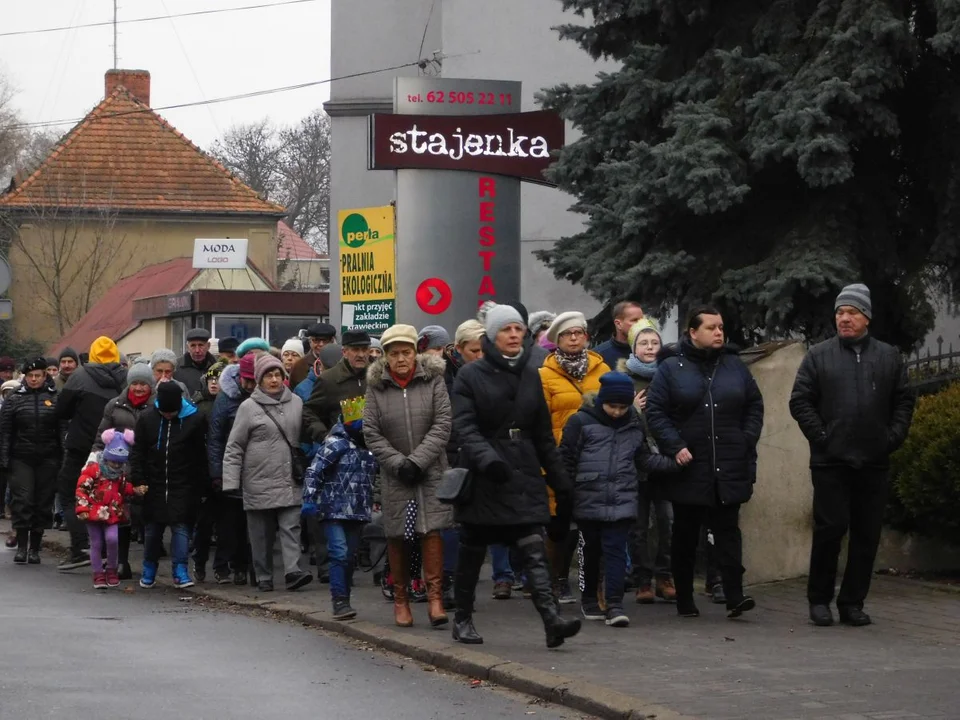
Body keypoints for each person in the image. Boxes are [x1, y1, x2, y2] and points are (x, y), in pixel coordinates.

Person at [450, 304, 581, 648]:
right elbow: (465, 427)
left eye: (518, 329)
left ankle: (552, 621)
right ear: (492, 335)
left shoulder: (531, 373)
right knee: (473, 550)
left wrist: (559, 479)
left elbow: (541, 433)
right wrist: (488, 460)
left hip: (521, 471)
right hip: (485, 476)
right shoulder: (470, 376)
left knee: (533, 547)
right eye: (506, 329)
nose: (513, 335)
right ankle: (462, 618)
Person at [789, 284, 914, 627]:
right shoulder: (819, 355)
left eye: (852, 313)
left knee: (866, 534)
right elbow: (800, 401)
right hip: (831, 461)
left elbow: (904, 400)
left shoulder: (888, 357)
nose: (844, 318)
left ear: (866, 318)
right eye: (840, 313)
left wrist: (891, 438)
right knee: (830, 530)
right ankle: (819, 601)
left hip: (873, 462)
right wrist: (823, 437)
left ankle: (852, 603)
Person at [646, 306, 765, 619]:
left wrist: (746, 438)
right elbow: (656, 412)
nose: (719, 333)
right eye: (711, 327)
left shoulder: (734, 365)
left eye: (721, 327)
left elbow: (754, 405)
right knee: (685, 532)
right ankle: (685, 597)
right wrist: (675, 445)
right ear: (693, 332)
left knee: (728, 531)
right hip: (690, 464)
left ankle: (734, 595)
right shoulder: (671, 368)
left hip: (728, 462)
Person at [560, 372, 678, 627]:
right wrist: (567, 494)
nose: (616, 412)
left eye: (623, 407)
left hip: (622, 498)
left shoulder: (634, 426)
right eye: (612, 406)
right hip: (588, 498)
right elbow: (566, 459)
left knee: (615, 551)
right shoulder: (580, 422)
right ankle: (590, 597)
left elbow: (643, 458)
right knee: (590, 551)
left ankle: (614, 604)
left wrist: (673, 463)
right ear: (601, 401)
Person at [363, 324, 453, 627]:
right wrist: (399, 464)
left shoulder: (433, 381)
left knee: (431, 531)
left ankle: (435, 599)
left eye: (406, 352)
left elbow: (442, 425)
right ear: (385, 357)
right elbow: (371, 433)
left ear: (415, 352)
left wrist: (418, 462)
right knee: (398, 535)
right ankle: (400, 600)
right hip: (396, 473)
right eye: (394, 353)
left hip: (429, 471)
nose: (401, 359)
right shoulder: (377, 388)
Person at [222, 353, 311, 592]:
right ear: (259, 380)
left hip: (289, 476)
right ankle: (263, 575)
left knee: (291, 527)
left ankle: (293, 571)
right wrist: (231, 480)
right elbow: (235, 445)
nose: (274, 380)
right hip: (258, 479)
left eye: (278, 375)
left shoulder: (296, 403)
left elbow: (305, 435)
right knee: (260, 534)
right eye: (268, 375)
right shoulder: (248, 408)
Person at [540, 311, 610, 603]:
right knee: (561, 527)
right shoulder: (544, 375)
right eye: (567, 334)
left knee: (597, 526)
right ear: (557, 340)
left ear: (586, 337)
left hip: (597, 458)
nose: (573, 338)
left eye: (578, 333)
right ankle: (556, 579)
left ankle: (595, 586)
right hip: (561, 460)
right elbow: (540, 420)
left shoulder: (602, 369)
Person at [55, 336, 127, 571]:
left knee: (69, 493)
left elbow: (61, 410)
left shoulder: (80, 376)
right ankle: (107, 551)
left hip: (80, 447)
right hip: (113, 450)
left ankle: (80, 547)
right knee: (109, 497)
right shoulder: (124, 378)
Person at [303, 397, 376, 620]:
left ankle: (345, 597)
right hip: (333, 508)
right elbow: (314, 470)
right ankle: (339, 601)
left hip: (357, 510)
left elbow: (376, 476)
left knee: (349, 556)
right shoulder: (336, 443)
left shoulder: (370, 448)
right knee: (339, 553)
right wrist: (309, 498)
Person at [619, 319, 676, 603]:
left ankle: (665, 575)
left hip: (665, 460)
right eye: (643, 343)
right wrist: (632, 409)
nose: (650, 348)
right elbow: (610, 415)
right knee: (638, 525)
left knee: (667, 521)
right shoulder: (624, 378)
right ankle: (643, 580)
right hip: (635, 462)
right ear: (633, 347)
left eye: (654, 343)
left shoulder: (671, 374)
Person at [131, 381, 208, 590]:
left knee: (181, 528)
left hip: (184, 483)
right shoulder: (147, 419)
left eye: (172, 412)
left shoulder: (195, 419)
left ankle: (180, 570)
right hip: (153, 483)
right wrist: (138, 480)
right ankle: (149, 569)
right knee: (153, 530)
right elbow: (138, 452)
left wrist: (201, 486)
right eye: (164, 412)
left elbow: (201, 456)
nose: (168, 416)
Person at [90, 358, 156, 579]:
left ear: (150, 386)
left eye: (143, 384)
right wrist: (94, 460)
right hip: (117, 467)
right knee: (121, 516)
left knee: (145, 516)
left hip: (146, 466)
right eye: (135, 383)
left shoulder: (156, 405)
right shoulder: (115, 405)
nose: (138, 388)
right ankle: (121, 562)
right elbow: (101, 436)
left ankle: (150, 563)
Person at [0, 358, 61, 565]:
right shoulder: (14, 399)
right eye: (30, 376)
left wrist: (62, 457)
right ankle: (22, 547)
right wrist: (4, 459)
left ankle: (35, 548)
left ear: (45, 376)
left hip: (48, 457)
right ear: (25, 377)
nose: (34, 379)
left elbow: (62, 430)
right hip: (21, 458)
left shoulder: (55, 398)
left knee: (43, 502)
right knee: (23, 500)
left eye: (38, 375)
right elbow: (5, 432)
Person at [206, 355, 257, 585]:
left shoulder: (263, 396)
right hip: (231, 465)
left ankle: (242, 565)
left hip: (257, 468)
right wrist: (217, 472)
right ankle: (222, 564)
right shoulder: (226, 400)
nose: (251, 385)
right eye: (247, 380)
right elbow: (215, 438)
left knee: (251, 524)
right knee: (229, 521)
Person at [75, 429, 146, 588]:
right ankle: (98, 573)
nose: (116, 466)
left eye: (120, 463)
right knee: (96, 543)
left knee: (113, 540)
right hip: (92, 512)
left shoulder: (119, 474)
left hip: (112, 512)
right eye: (113, 462)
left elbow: (122, 487)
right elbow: (82, 489)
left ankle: (112, 569)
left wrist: (133, 490)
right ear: (107, 457)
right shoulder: (93, 470)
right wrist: (82, 508)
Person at [190, 359, 227, 582]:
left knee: (225, 523)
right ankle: (200, 562)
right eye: (211, 379)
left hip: (225, 469)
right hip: (203, 471)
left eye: (218, 380)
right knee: (203, 523)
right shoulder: (197, 405)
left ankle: (221, 566)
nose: (214, 384)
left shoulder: (229, 403)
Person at [303, 330, 372, 443]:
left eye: (364, 349)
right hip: (344, 451)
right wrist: (325, 437)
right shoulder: (329, 379)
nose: (361, 355)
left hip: (375, 449)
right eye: (355, 350)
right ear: (344, 352)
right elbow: (309, 412)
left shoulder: (378, 377)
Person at [595, 301, 645, 370]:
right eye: (635, 320)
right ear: (618, 324)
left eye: (642, 320)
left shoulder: (650, 351)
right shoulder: (598, 355)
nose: (641, 324)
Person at [290, 322, 337, 388]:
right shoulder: (299, 366)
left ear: (332, 341)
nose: (321, 344)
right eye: (316, 340)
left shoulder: (341, 362)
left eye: (325, 340)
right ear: (310, 341)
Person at [174, 328, 217, 395]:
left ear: (208, 346)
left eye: (201, 345)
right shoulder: (176, 367)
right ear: (187, 347)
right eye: (193, 346)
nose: (197, 350)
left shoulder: (217, 366)